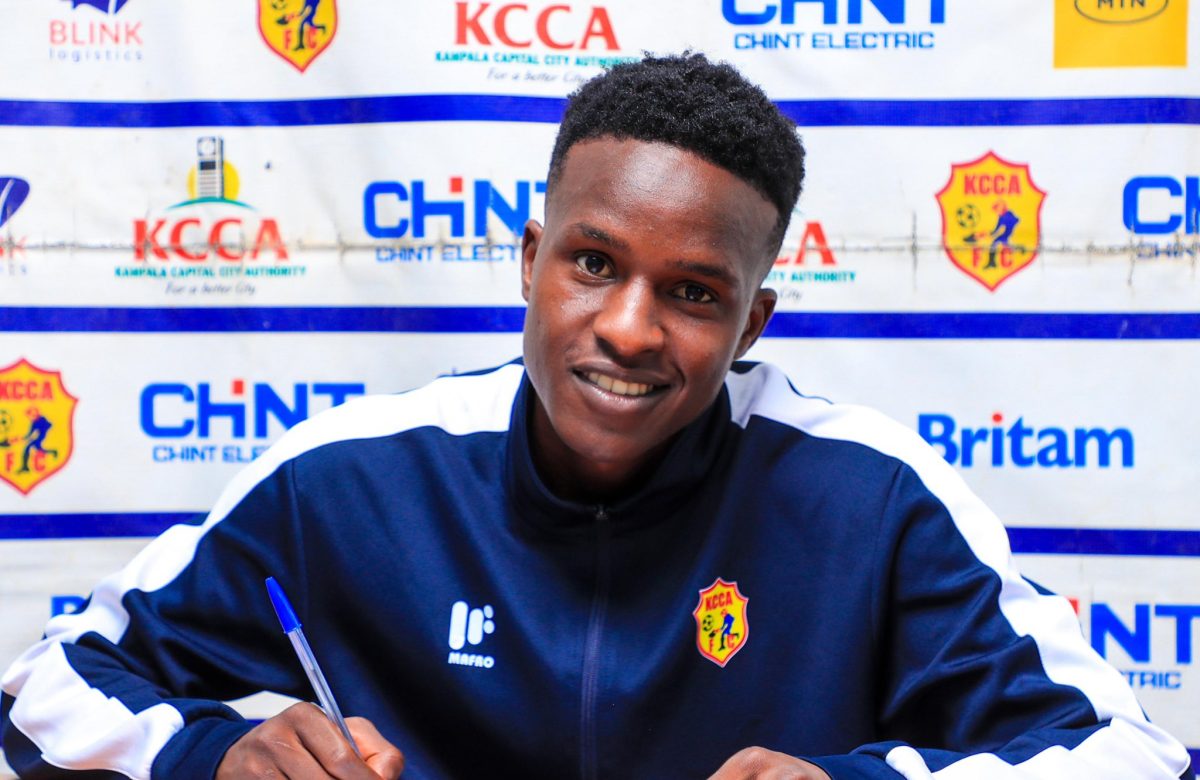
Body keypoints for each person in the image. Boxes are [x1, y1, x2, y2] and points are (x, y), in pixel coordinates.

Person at [1, 53, 1191, 780]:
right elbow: (41, 693)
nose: (627, 329)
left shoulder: (872, 501)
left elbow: (1134, 756)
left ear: (754, 322)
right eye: (593, 264)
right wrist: (212, 754)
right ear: (531, 261)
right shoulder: (352, 479)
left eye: (693, 293)